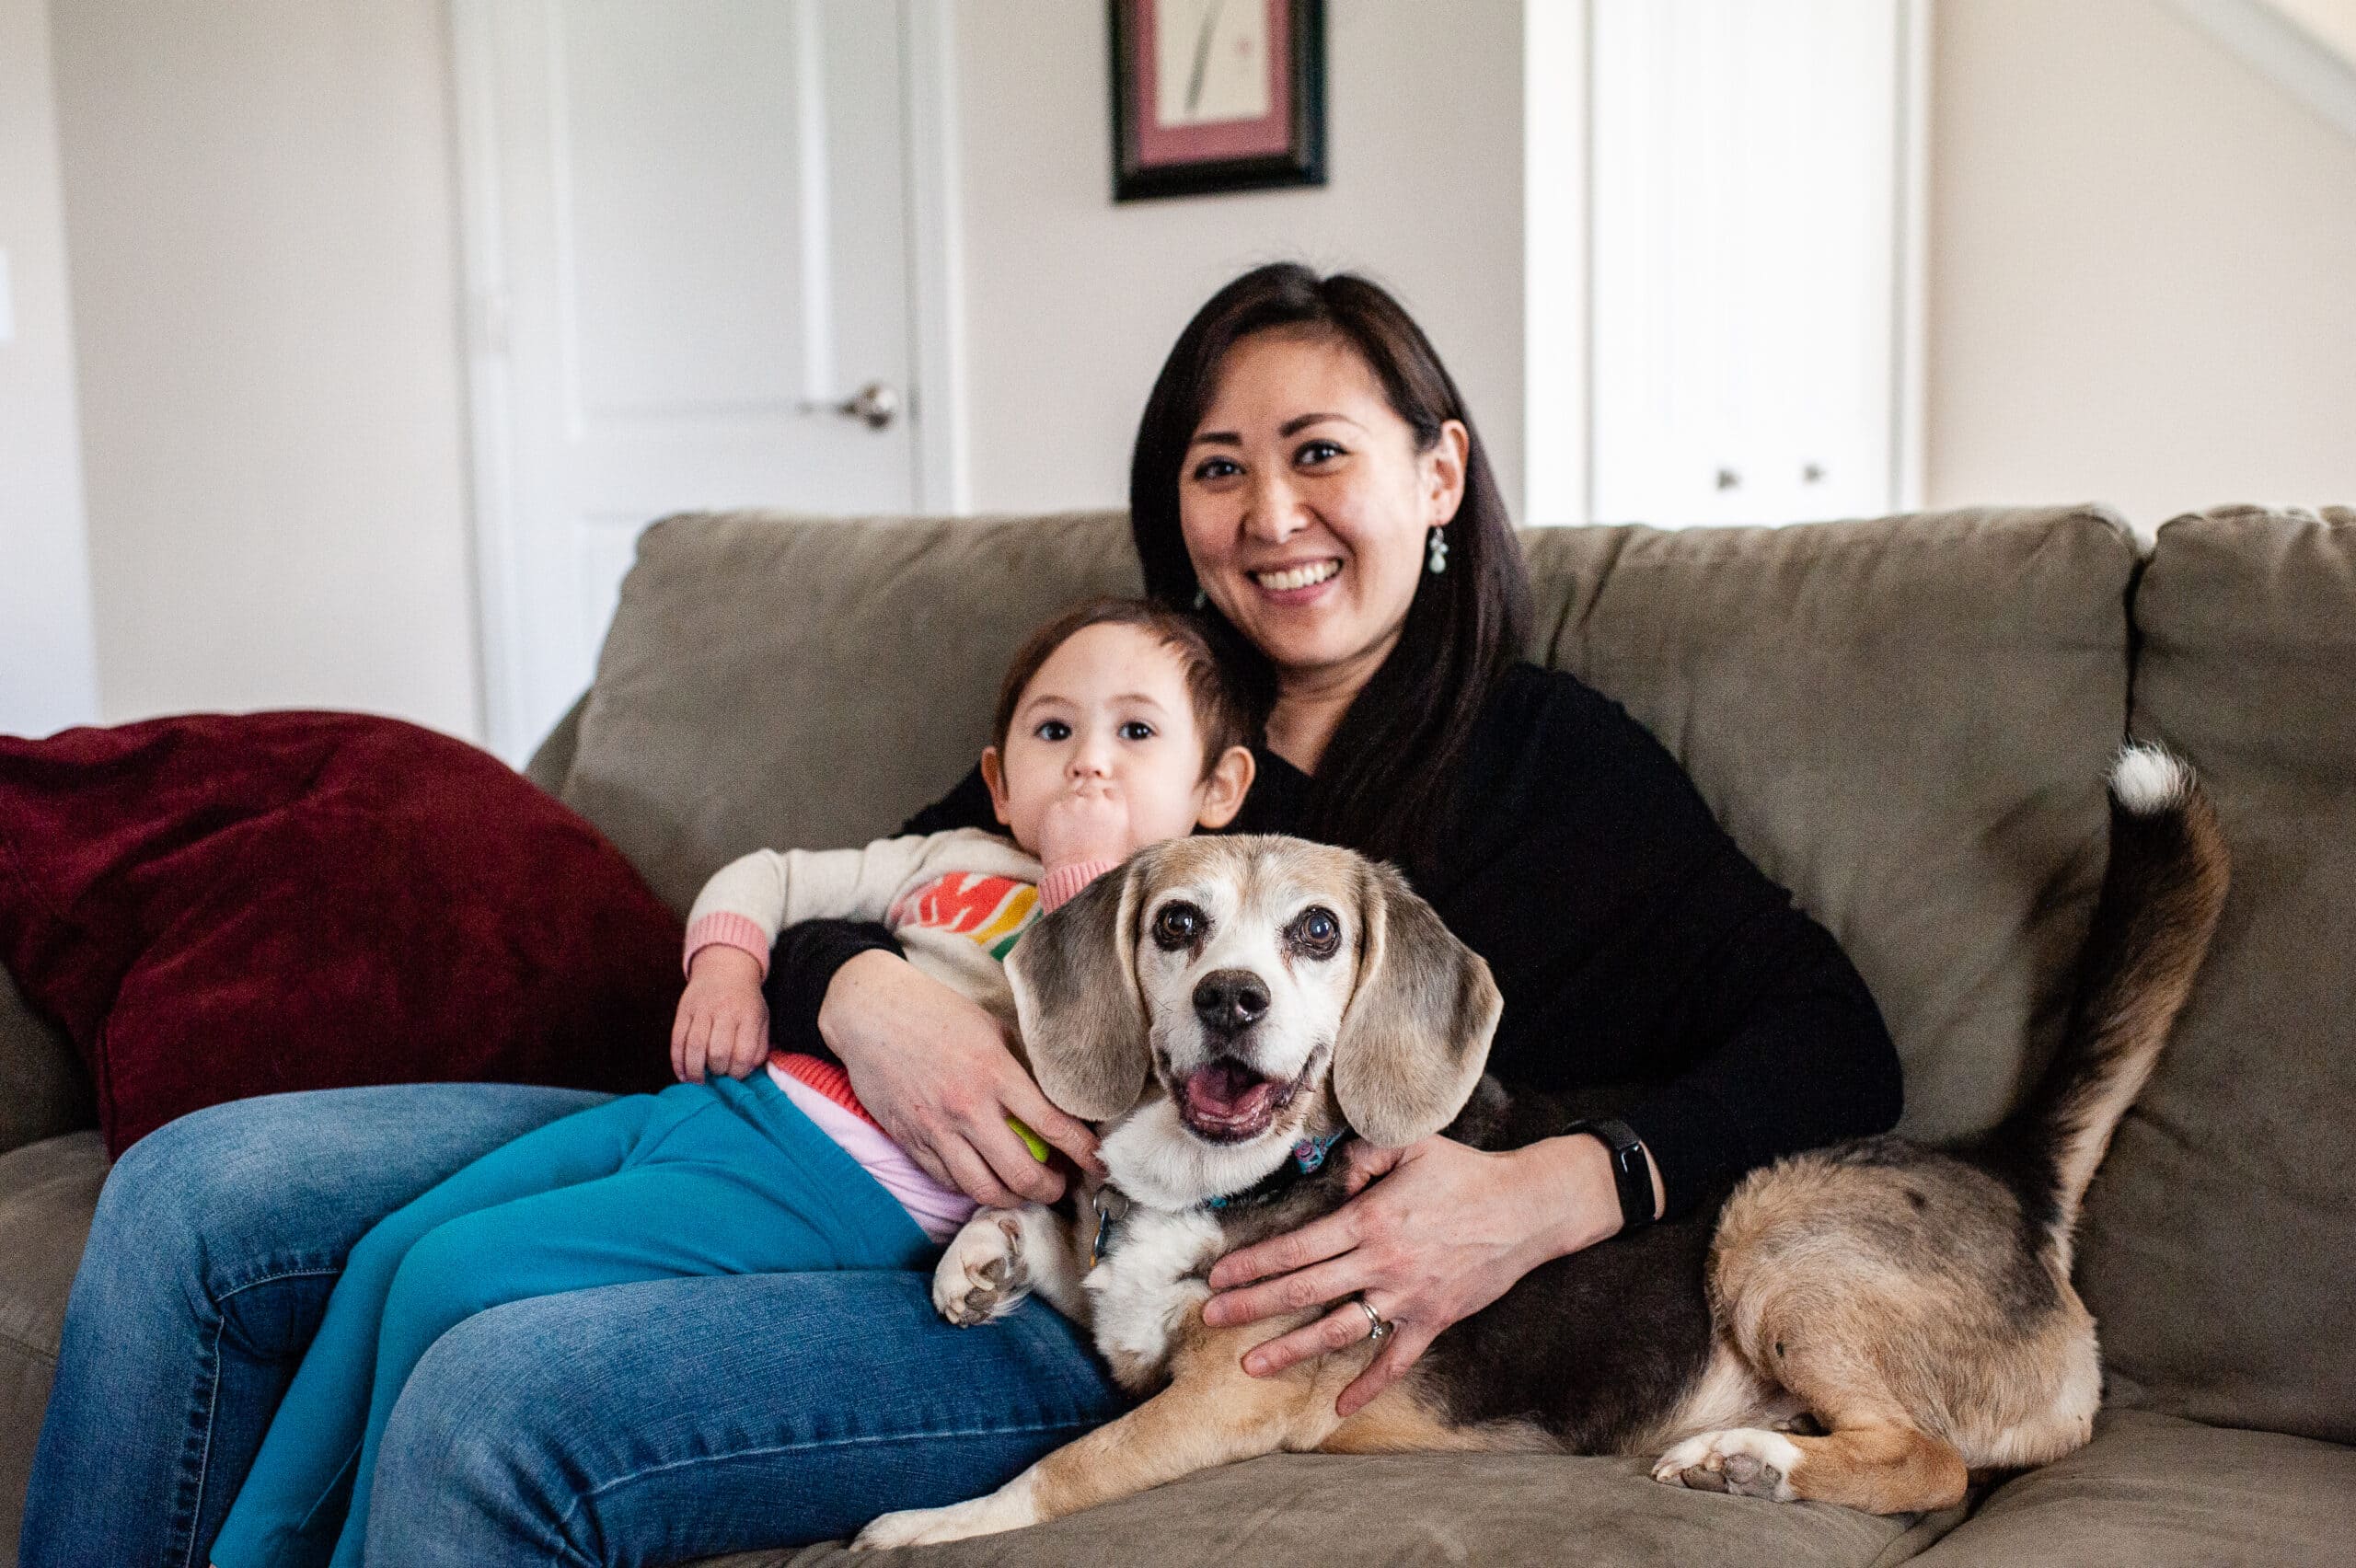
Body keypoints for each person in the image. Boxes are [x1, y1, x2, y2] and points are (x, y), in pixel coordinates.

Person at [22, 263, 1900, 1568]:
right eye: (1218, 466)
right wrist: (862, 996)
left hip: (1086, 1293)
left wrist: (1557, 1187)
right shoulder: (1131, 713)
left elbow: (1829, 1037)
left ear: (1437, 473)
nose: (1270, 512)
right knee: (194, 1192)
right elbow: (890, 882)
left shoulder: (1552, 772)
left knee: (496, 1386)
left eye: (1319, 448)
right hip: (819, 1128)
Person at [205, 600, 1255, 1568]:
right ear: (998, 778)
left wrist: (1084, 879)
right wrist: (726, 966)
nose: (1088, 764)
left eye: (1136, 732)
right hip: (719, 1105)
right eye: (1054, 730)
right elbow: (771, 876)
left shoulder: (1184, 938)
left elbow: (1105, 1072)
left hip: (840, 1187)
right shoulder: (946, 854)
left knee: (453, 1274)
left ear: (1217, 791)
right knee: (390, 1253)